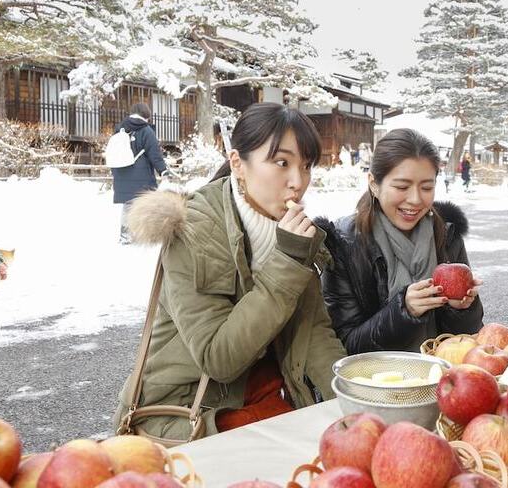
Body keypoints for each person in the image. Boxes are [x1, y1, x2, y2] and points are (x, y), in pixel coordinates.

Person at [113, 103, 346, 442]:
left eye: (306, 166)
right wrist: (288, 261)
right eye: (282, 163)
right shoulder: (195, 231)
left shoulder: (291, 231)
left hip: (261, 391)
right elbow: (218, 358)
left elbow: (315, 336)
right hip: (189, 409)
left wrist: (357, 402)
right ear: (238, 164)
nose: (298, 182)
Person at [315, 128, 483, 355]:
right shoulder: (344, 244)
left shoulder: (446, 236)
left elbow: (468, 337)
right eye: (402, 187)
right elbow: (345, 344)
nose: (415, 200)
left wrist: (461, 309)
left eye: (427, 187)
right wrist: (403, 310)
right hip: (377, 383)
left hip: (438, 378)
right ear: (374, 184)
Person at [111, 103, 172, 244]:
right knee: (146, 203)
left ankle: (125, 235)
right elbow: (155, 154)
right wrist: (163, 170)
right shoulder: (146, 131)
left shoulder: (119, 129)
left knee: (128, 205)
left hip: (122, 173)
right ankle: (146, 234)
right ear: (146, 116)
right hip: (142, 174)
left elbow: (114, 153)